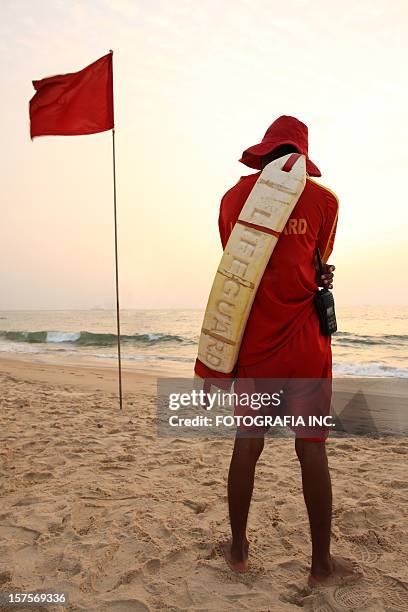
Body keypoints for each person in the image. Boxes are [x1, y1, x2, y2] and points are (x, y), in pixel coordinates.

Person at [218, 116, 360, 585]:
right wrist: (320, 275)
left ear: (265, 152)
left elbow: (241, 263)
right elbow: (316, 261)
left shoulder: (233, 199)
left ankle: (238, 552)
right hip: (306, 345)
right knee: (311, 447)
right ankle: (321, 565)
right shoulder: (323, 201)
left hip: (257, 342)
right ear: (301, 156)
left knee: (248, 443)